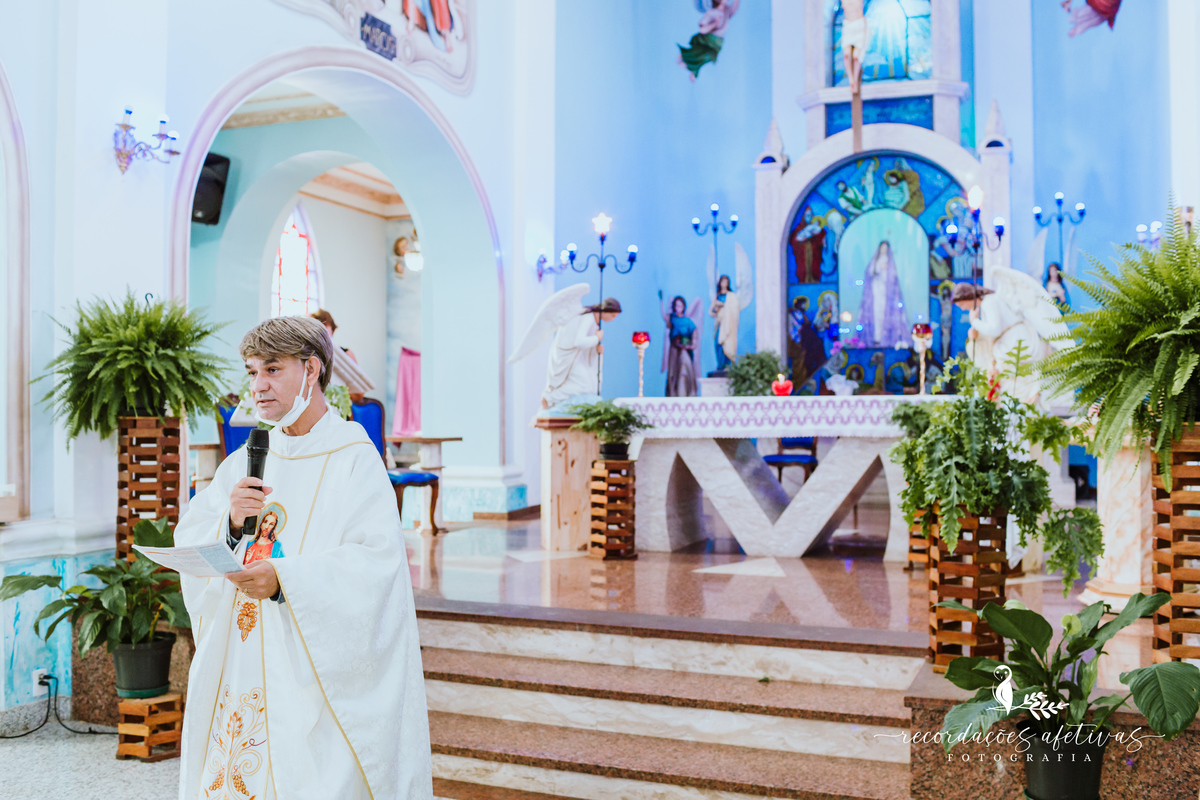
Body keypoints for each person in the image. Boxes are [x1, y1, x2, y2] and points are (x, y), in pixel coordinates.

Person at [174, 315, 431, 800]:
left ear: (311, 370)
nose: (258, 387)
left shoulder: (353, 458)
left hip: (311, 659)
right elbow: (195, 533)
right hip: (245, 650)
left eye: (272, 370)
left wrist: (285, 578)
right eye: (252, 372)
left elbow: (376, 564)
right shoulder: (247, 458)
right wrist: (229, 524)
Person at [542, 298, 622, 408]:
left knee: (590, 385)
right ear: (606, 310)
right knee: (585, 385)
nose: (612, 320)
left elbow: (587, 347)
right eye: (613, 316)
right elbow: (579, 342)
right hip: (568, 357)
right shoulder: (588, 317)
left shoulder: (595, 322)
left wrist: (597, 351)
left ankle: (555, 400)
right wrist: (596, 338)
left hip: (577, 357)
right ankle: (550, 398)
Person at [857, 240, 907, 348]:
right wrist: (878, 267)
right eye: (882, 248)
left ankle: (885, 339)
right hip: (875, 292)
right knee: (875, 314)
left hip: (885, 292)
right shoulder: (875, 260)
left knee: (884, 314)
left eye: (885, 248)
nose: (884, 250)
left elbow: (893, 278)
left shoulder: (890, 262)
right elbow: (870, 272)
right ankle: (875, 338)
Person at [310, 308, 364, 403]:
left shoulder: (346, 354)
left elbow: (359, 394)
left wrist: (336, 390)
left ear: (332, 330)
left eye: (325, 332)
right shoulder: (308, 358)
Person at [660, 294, 699, 397]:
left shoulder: (688, 321)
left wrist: (691, 344)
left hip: (685, 350)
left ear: (684, 307)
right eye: (676, 306)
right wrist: (661, 301)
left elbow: (694, 334)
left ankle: (687, 393)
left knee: (685, 370)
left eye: (680, 306)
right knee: (673, 371)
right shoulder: (672, 319)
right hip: (674, 350)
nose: (678, 308)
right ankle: (673, 394)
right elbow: (664, 316)